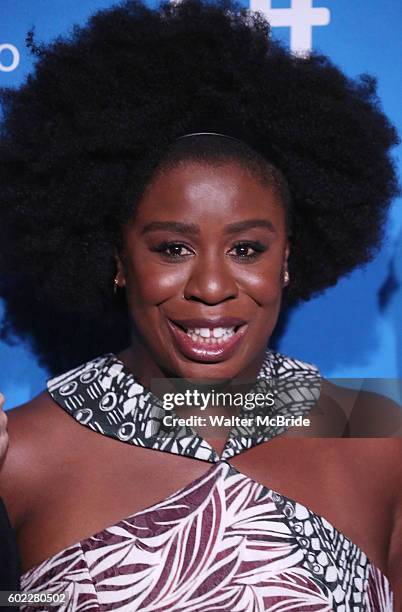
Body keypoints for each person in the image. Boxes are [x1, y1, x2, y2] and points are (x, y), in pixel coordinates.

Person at [0, 0, 401, 609]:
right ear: (116, 258)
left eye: (246, 248)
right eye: (172, 247)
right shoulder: (20, 456)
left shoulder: (380, 438)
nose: (211, 287)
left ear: (288, 257)